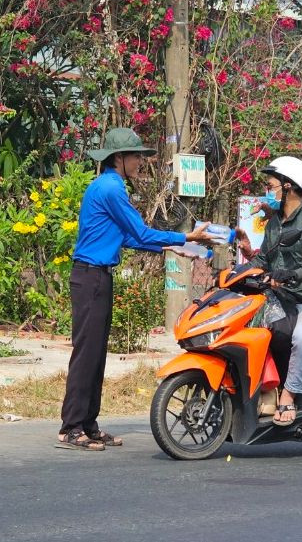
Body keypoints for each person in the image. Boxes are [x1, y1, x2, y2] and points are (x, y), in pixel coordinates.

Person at [57, 127, 213, 451]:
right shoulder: (112, 189)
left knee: (96, 353)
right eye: (136, 157)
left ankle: (88, 424)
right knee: (87, 354)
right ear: (120, 158)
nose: (140, 163)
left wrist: (172, 248)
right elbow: (140, 232)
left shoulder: (107, 186)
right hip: (91, 277)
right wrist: (186, 238)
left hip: (95, 277)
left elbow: (126, 237)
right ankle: (72, 427)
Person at [246, 156, 302, 426]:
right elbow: (264, 259)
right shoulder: (275, 223)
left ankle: (290, 394)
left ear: (288, 186)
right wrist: (235, 272)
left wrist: (294, 274)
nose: (267, 190)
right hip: (275, 297)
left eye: (271, 185)